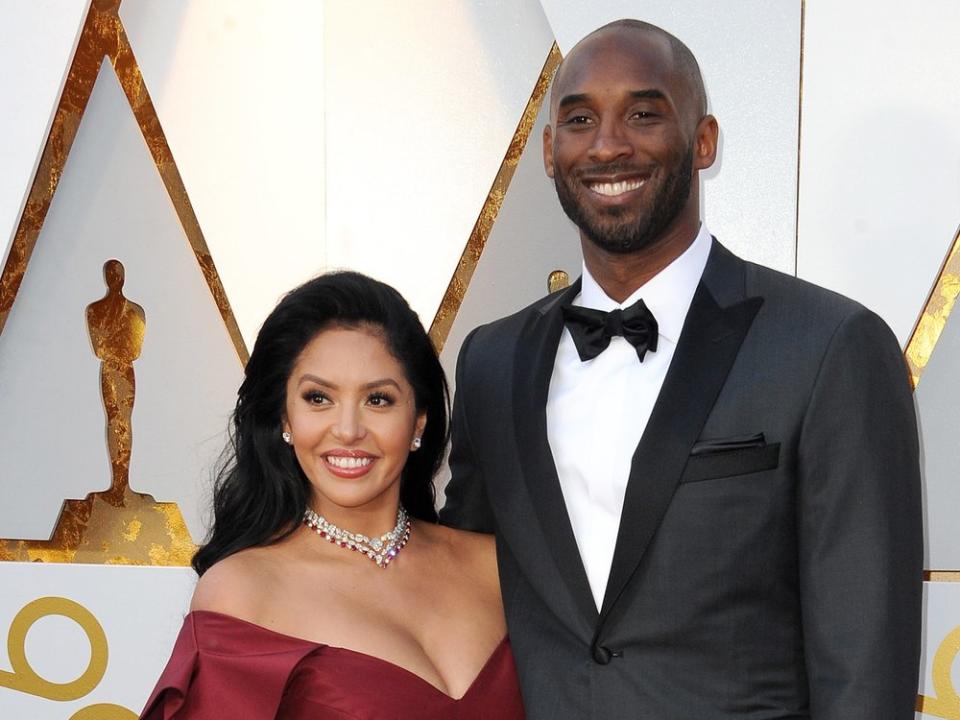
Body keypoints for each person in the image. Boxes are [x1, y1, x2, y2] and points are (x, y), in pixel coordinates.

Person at [441, 19, 922, 719]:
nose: (608, 144)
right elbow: (454, 588)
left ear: (703, 140)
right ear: (548, 150)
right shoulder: (492, 362)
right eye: (579, 119)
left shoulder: (828, 347)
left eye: (644, 113)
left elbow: (866, 669)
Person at [141, 272, 524, 719]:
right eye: (319, 398)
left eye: (378, 399)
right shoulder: (243, 592)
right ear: (284, 416)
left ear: (418, 420)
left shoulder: (498, 568)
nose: (347, 430)